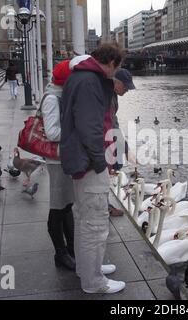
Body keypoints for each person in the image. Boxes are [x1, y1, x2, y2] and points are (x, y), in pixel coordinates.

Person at [60, 44, 126, 294]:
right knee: (95, 224)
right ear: (110, 62)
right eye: (116, 67)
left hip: (81, 161)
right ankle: (94, 281)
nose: (115, 73)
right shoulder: (89, 82)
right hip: (89, 163)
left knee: (83, 218)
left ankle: (88, 269)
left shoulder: (81, 78)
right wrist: (101, 162)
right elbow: (91, 129)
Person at [40, 60, 76, 271]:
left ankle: (70, 248)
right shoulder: (53, 99)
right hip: (56, 160)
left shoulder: (59, 96)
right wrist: (76, 133)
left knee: (67, 204)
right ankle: (60, 254)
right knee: (57, 207)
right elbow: (52, 133)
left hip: (64, 158)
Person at [107, 68, 136, 217]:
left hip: (108, 136)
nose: (127, 91)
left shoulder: (112, 95)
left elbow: (114, 122)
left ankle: (105, 203)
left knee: (114, 166)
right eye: (126, 87)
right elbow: (112, 124)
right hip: (102, 139)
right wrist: (125, 148)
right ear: (116, 82)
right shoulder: (106, 95)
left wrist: (125, 148)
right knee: (107, 168)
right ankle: (104, 206)